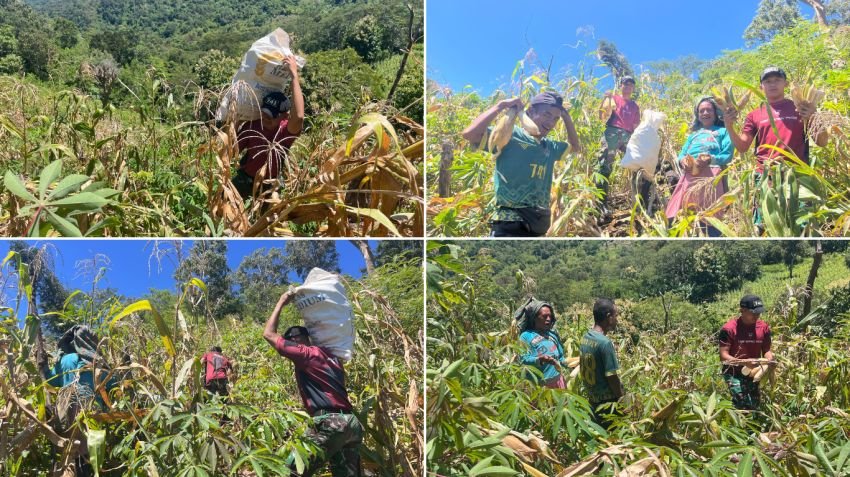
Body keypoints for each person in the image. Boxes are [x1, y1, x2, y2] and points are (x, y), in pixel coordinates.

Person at [263, 291, 363, 477]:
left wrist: (282, 300)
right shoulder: (333, 357)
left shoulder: (305, 354)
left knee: (290, 472)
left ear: (297, 342)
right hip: (352, 424)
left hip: (331, 423)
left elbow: (268, 334)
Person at [461, 91, 581, 237]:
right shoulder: (510, 135)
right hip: (510, 223)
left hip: (538, 223)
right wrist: (501, 106)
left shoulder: (550, 147)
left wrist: (566, 117)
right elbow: (470, 134)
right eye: (547, 115)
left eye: (556, 119)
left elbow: (575, 147)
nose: (551, 123)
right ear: (530, 111)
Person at [722, 67, 829, 229]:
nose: (773, 84)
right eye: (767, 81)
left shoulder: (801, 107)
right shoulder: (754, 115)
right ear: (761, 87)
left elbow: (822, 142)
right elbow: (743, 146)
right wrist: (729, 126)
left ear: (785, 84)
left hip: (798, 175)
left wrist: (814, 117)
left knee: (802, 225)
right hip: (765, 176)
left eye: (777, 80)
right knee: (766, 225)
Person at [37, 326, 115, 477]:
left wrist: (43, 364)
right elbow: (115, 388)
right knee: (88, 453)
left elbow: (50, 380)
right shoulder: (101, 364)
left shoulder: (67, 359)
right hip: (93, 412)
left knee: (68, 453)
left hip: (66, 410)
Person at [233, 54, 305, 200]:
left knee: (269, 218)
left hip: (270, 185)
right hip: (245, 179)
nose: (266, 118)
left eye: (271, 115)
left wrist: (294, 76)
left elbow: (298, 117)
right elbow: (232, 150)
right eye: (264, 112)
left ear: (284, 116)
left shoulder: (285, 131)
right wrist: (235, 122)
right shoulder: (252, 125)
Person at [665, 97, 734, 236]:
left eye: (709, 110)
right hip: (690, 174)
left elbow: (727, 154)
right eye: (701, 110)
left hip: (712, 175)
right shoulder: (693, 135)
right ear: (698, 115)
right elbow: (682, 154)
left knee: (710, 217)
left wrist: (710, 159)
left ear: (715, 113)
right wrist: (683, 161)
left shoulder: (723, 131)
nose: (705, 113)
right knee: (675, 214)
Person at [718, 294, 776, 411]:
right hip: (733, 372)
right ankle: (739, 426)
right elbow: (723, 356)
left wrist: (770, 359)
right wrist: (744, 362)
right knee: (741, 402)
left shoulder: (763, 328)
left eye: (758, 313)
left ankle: (751, 428)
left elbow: (766, 350)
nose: (757, 315)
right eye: (753, 313)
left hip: (753, 372)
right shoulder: (729, 329)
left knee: (754, 406)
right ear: (742, 310)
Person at [595, 76, 642, 220]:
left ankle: (639, 202)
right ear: (621, 85)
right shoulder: (613, 98)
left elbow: (636, 126)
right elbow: (601, 116)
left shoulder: (634, 106)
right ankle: (600, 203)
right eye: (625, 84)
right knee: (604, 167)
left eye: (631, 85)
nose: (628, 87)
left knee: (638, 165)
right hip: (612, 132)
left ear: (633, 88)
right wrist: (605, 99)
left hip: (628, 135)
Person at [579, 298, 624, 429]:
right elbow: (612, 377)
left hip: (592, 400)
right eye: (615, 316)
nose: (616, 319)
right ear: (608, 316)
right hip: (608, 404)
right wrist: (622, 400)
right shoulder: (605, 343)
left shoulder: (586, 337)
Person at [518, 300, 568, 389]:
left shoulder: (552, 335)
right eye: (545, 316)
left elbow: (560, 357)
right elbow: (523, 359)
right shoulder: (525, 336)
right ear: (534, 318)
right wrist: (540, 360)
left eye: (550, 316)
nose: (548, 319)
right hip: (538, 386)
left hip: (558, 381)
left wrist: (571, 363)